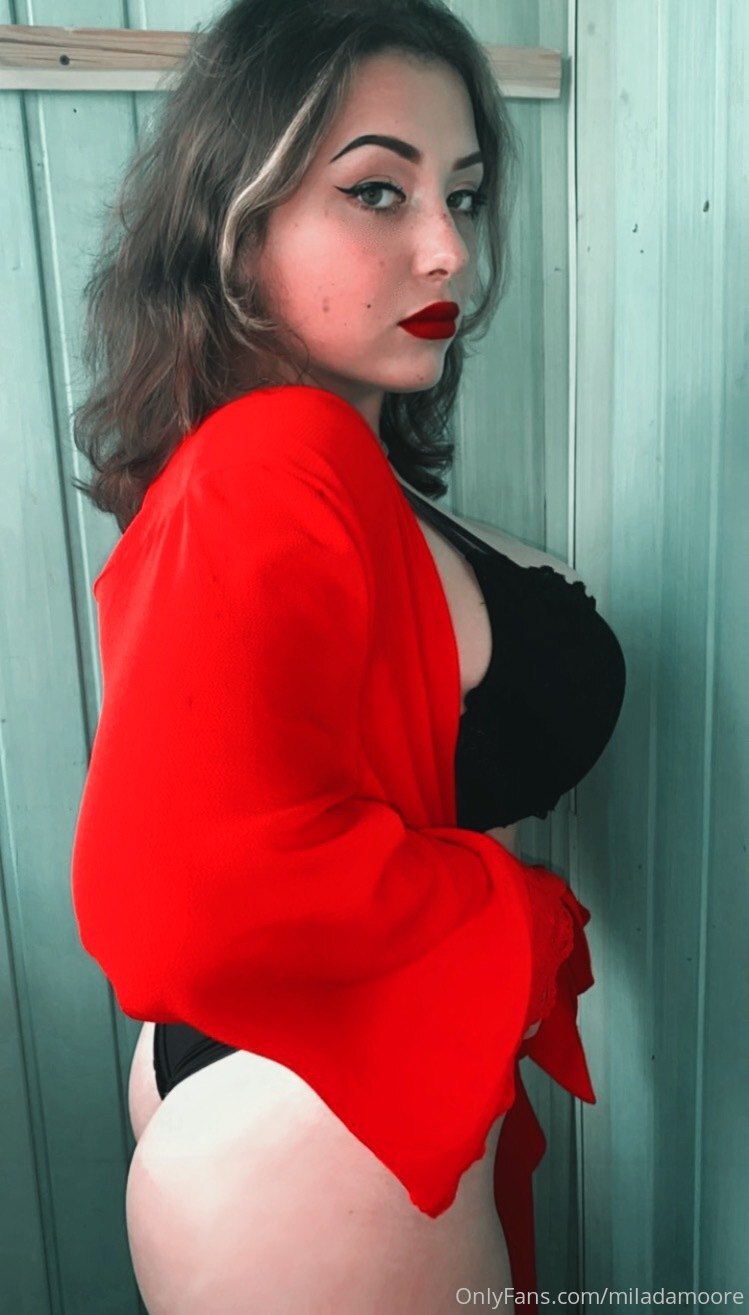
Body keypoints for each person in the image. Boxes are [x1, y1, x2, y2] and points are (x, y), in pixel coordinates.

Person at [69, 2, 626, 1312]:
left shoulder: (292, 467)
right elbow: (164, 904)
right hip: (318, 1118)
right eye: (377, 191)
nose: (447, 250)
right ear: (236, 223)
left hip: (290, 1088)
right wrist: (508, 911)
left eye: (463, 195)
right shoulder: (280, 458)